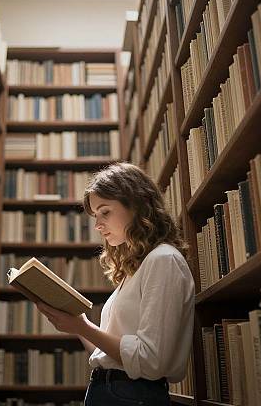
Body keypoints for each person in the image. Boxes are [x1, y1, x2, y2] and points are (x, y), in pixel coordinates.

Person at [36, 162, 195, 405]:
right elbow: (111, 356)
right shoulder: (137, 269)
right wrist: (78, 324)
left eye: (105, 211)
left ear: (136, 204)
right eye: (95, 215)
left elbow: (150, 361)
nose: (98, 225)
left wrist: (84, 328)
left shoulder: (163, 260)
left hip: (132, 395)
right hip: (112, 390)